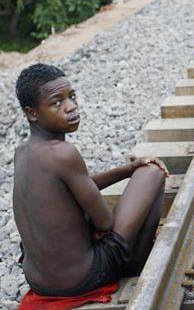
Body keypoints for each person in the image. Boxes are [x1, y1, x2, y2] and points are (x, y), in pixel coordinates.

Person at [13, 63, 168, 297]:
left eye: (71, 97)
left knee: (137, 173)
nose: (71, 107)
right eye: (57, 102)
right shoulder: (63, 153)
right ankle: (136, 262)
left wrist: (127, 170)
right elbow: (105, 223)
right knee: (151, 173)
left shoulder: (22, 153)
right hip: (80, 279)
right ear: (32, 113)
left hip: (39, 281)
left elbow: (71, 189)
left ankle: (130, 256)